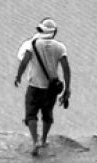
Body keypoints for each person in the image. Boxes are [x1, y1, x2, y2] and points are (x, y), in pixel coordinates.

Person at [14, 18, 72, 155]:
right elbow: (66, 69)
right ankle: (44, 140)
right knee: (47, 114)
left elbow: (25, 61)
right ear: (54, 32)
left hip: (34, 85)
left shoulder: (32, 44)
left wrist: (18, 76)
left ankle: (35, 142)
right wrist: (67, 88)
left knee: (31, 114)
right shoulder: (60, 47)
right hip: (51, 88)